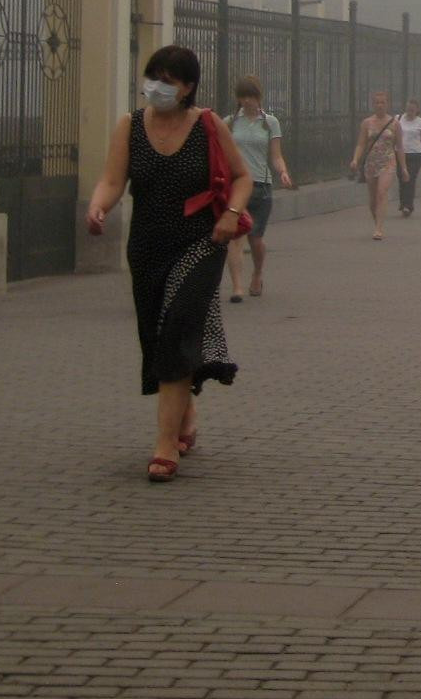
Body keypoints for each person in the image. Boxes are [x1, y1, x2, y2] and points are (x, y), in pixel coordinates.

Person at [86, 45, 251, 483]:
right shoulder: (130, 127)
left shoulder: (209, 125)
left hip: (201, 242)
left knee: (177, 326)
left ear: (188, 87)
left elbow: (241, 176)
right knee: (156, 336)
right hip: (147, 246)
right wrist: (98, 207)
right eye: (152, 76)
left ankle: (164, 446)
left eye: (168, 79)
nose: (156, 86)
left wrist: (231, 216)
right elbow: (112, 179)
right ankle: (186, 410)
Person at [225, 75, 291, 303]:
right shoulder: (230, 122)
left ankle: (257, 272)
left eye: (250, 96)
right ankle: (236, 286)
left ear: (258, 97)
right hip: (236, 187)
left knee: (255, 239)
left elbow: (276, 155)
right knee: (235, 237)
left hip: (261, 187)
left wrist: (282, 171)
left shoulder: (270, 122)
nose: (246, 101)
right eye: (242, 97)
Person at [350, 91, 404, 241]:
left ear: (387, 104)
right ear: (373, 104)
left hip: (388, 162)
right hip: (371, 163)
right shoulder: (367, 123)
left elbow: (399, 147)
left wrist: (403, 168)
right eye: (377, 102)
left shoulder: (395, 124)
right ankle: (377, 222)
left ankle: (379, 228)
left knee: (382, 192)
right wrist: (355, 159)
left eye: (383, 102)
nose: (380, 105)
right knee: (373, 199)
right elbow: (361, 144)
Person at [396, 98, 421, 216]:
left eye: (412, 109)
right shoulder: (398, 119)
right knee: (402, 179)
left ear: (417, 110)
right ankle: (403, 203)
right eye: (408, 108)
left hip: (415, 154)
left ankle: (408, 206)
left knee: (410, 179)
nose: (410, 111)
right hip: (400, 154)